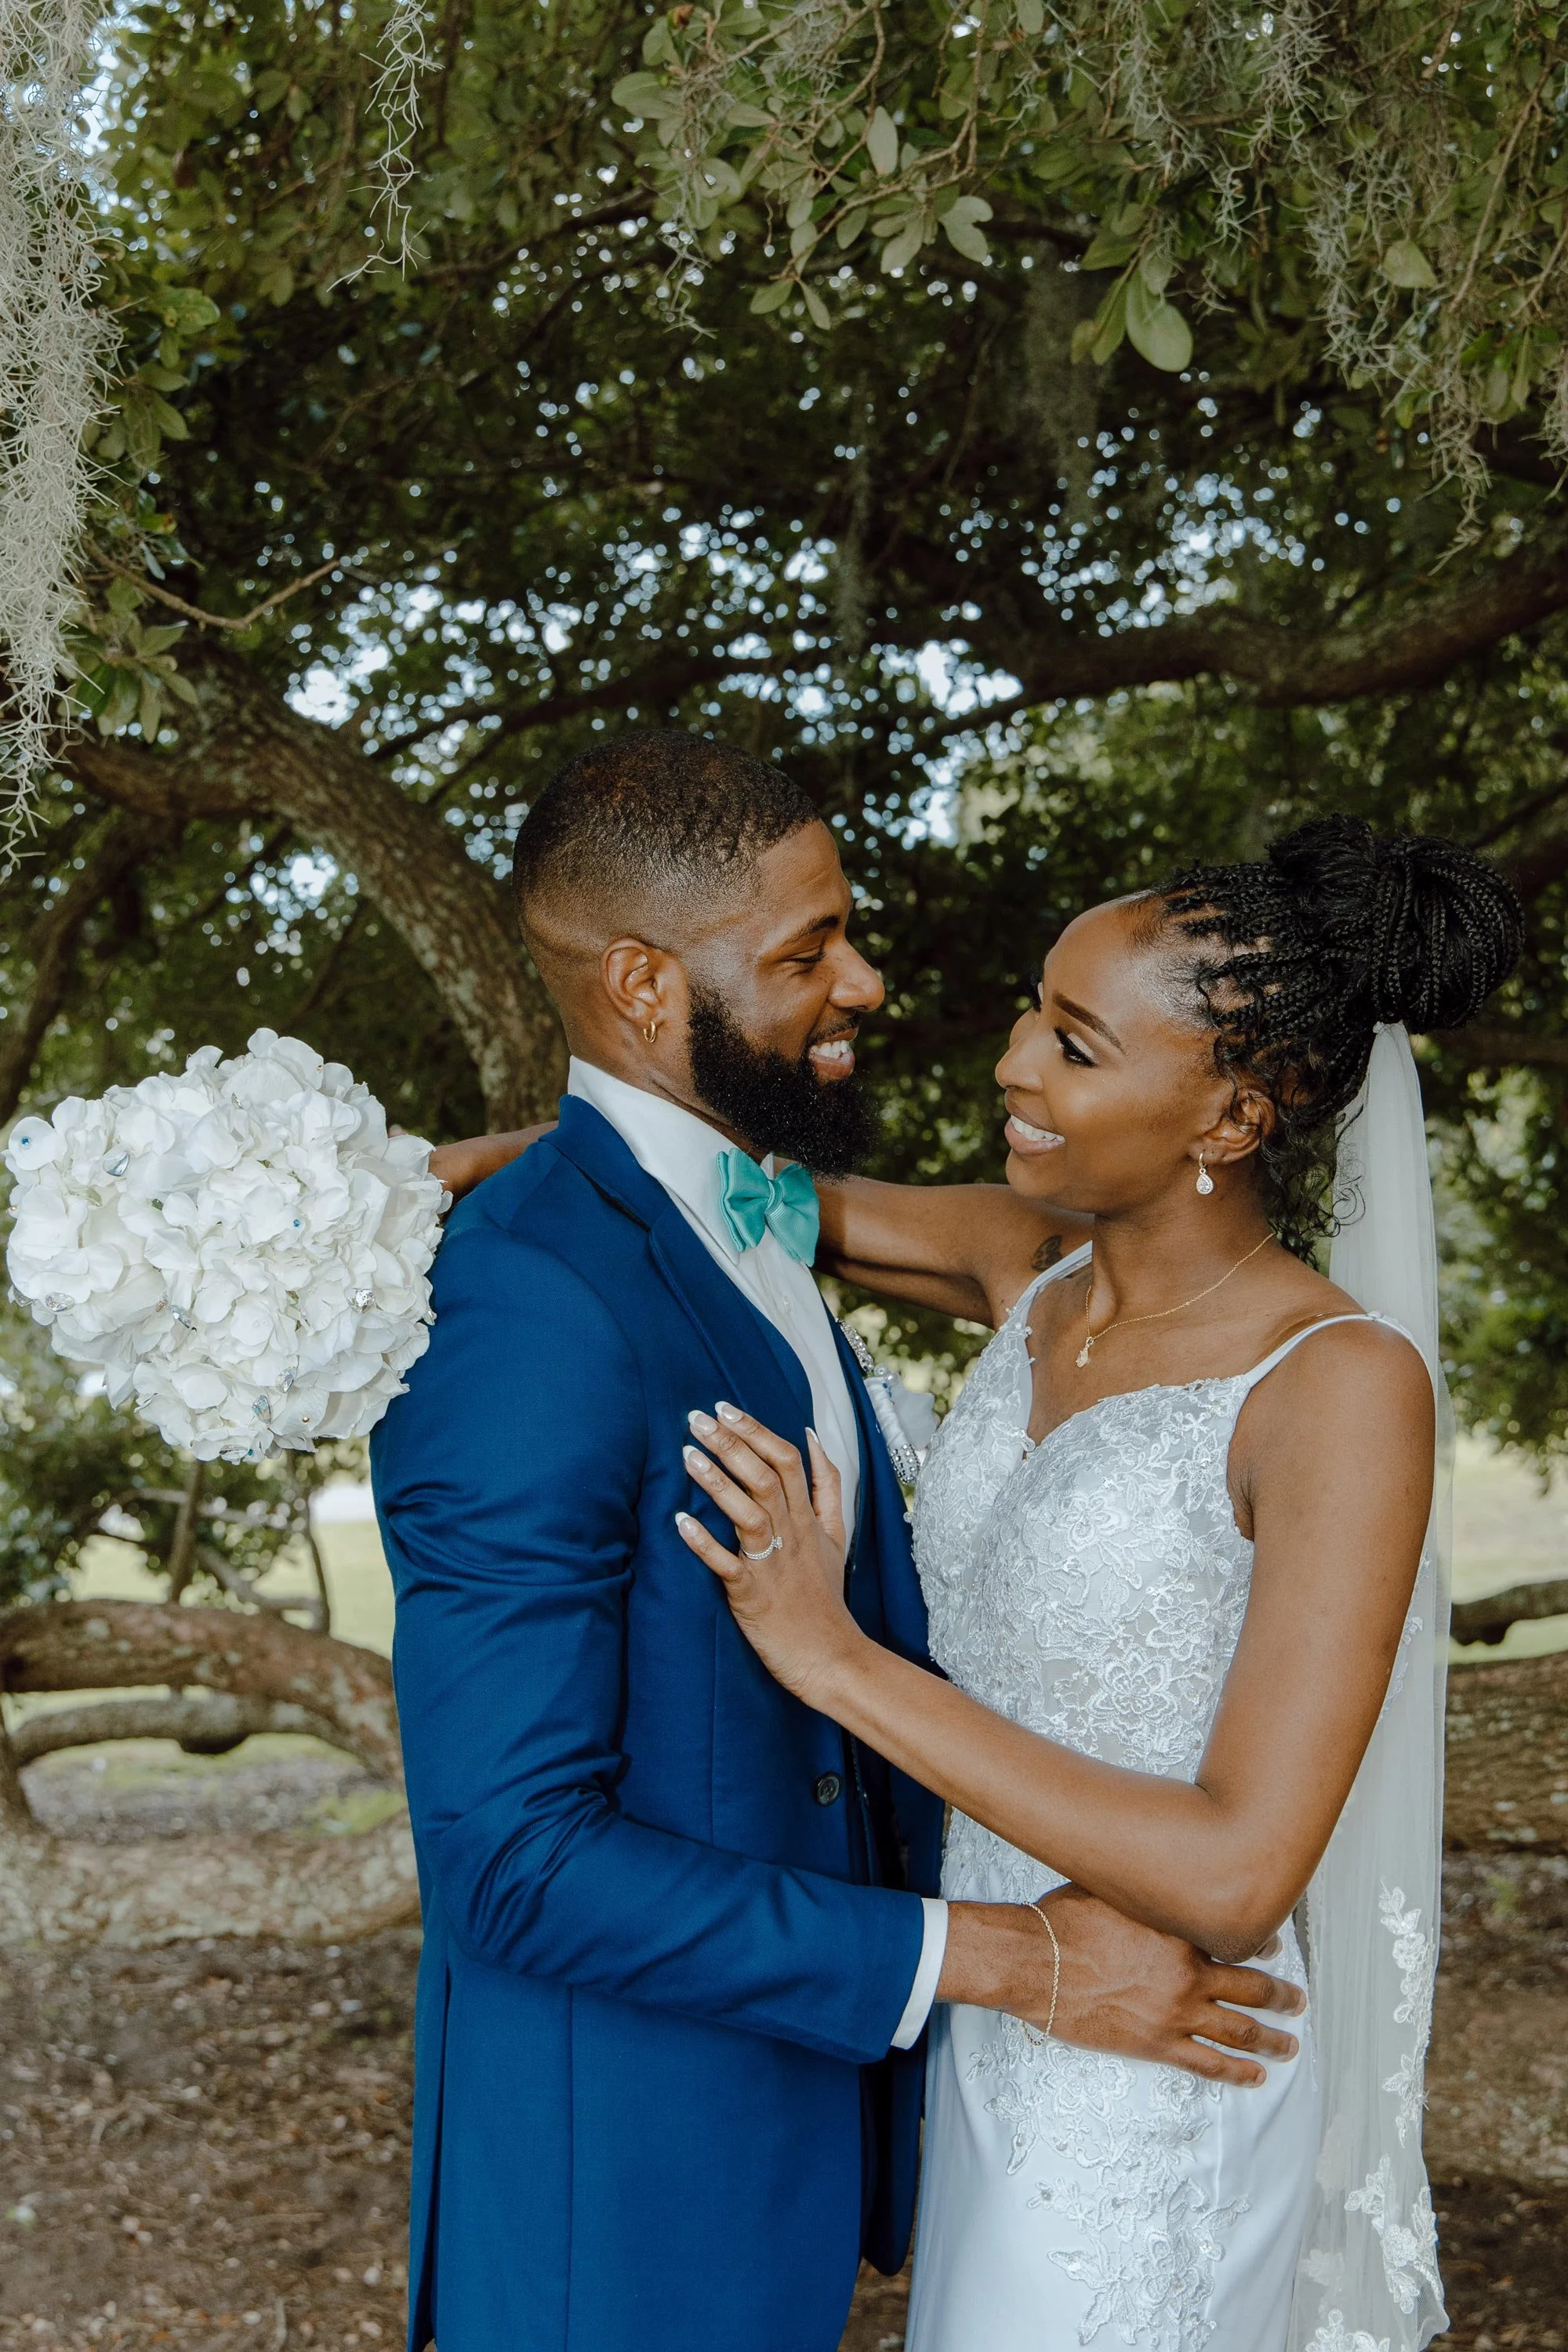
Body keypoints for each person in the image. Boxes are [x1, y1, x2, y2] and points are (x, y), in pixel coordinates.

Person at [376, 730, 1305, 2352]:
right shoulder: (525, 1304)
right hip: (620, 2193)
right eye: (808, 951)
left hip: (817, 2138)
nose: (864, 983)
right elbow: (509, 1861)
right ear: (648, 987)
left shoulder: (758, 1214)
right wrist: (1008, 1962)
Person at [666, 815, 1523, 2351]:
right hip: (994, 2014)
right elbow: (715, 1192)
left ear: (1232, 1114)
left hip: (1154, 2080)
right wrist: (417, 1189)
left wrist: (838, 1661)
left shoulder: (1334, 1388)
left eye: (1071, 1044)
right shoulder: (1028, 1269)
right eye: (1028, 1012)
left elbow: (1236, 1873)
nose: (1010, 1064)